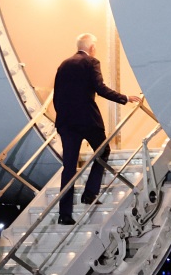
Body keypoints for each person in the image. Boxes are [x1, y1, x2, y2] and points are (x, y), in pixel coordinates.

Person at [53, 33, 141, 225]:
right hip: (87, 120)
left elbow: (57, 94)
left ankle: (64, 214)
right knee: (103, 151)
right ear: (92, 47)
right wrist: (125, 98)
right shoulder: (91, 62)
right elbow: (100, 88)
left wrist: (61, 117)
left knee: (68, 167)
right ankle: (90, 193)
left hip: (66, 122)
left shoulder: (64, 64)